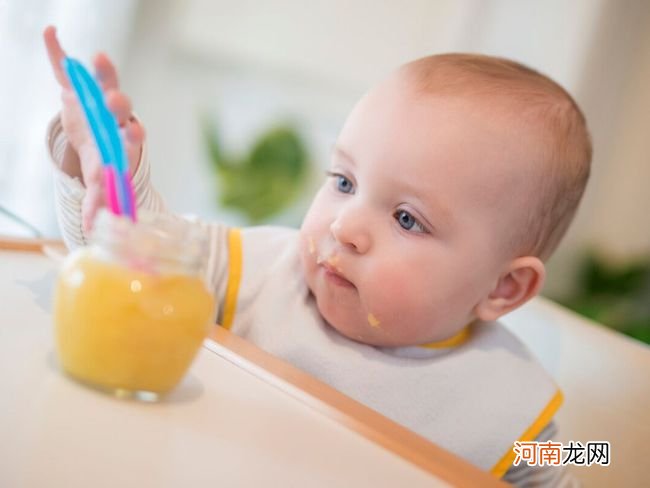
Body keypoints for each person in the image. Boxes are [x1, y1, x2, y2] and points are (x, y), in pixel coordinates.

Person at [43, 25, 590, 486]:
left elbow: (576, 465)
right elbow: (137, 255)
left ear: (503, 288)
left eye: (407, 219)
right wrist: (97, 170)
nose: (345, 226)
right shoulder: (255, 274)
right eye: (344, 181)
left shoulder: (505, 406)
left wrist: (598, 455)